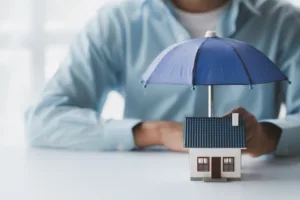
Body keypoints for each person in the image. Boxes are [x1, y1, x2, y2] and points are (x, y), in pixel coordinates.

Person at [24, 0, 300, 157]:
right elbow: (44, 120)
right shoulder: (117, 22)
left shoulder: (284, 23)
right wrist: (155, 132)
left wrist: (268, 135)